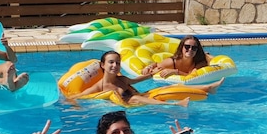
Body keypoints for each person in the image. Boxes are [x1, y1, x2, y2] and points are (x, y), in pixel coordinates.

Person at [69, 51, 224, 107]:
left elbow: (136, 80)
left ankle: (207, 88)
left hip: (142, 98)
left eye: (117, 63)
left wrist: (151, 74)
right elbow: (78, 97)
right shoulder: (99, 86)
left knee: (167, 88)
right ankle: (175, 105)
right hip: (133, 105)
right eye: (111, 62)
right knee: (136, 98)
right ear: (103, 65)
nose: (115, 65)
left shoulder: (122, 79)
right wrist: (75, 104)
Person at [143, 36, 212, 78]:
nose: (190, 49)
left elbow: (192, 77)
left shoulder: (199, 62)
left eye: (194, 48)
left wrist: (176, 72)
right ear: (181, 47)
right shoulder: (172, 62)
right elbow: (156, 65)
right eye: (187, 47)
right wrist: (148, 67)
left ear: (197, 50)